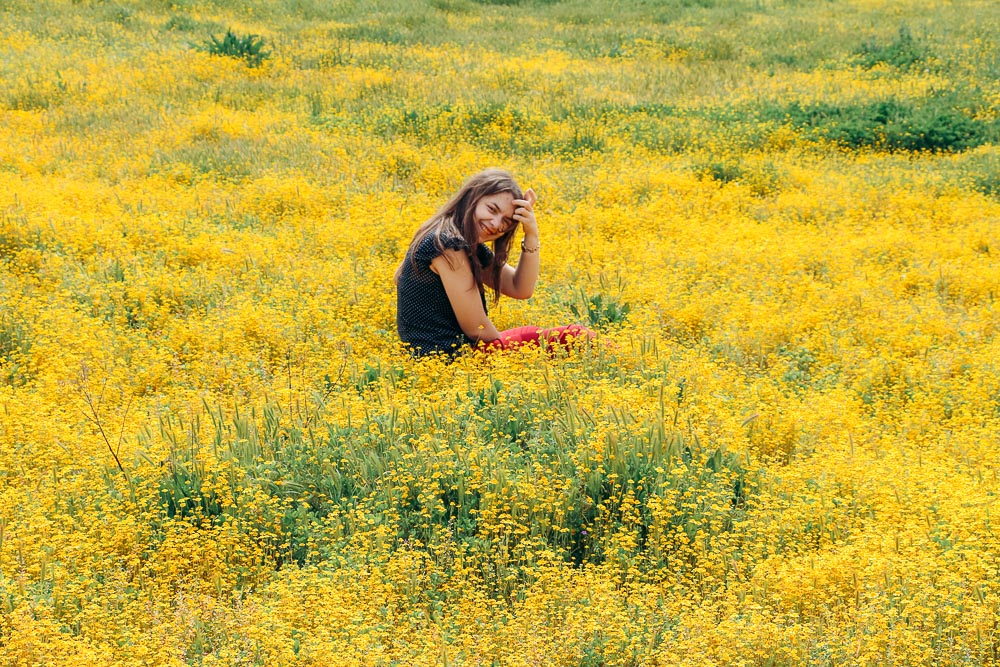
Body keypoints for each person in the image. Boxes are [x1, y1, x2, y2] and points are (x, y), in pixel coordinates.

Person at [395, 168, 593, 357]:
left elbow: (520, 288)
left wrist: (531, 234)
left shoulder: (464, 242)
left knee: (562, 336)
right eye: (492, 209)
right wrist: (512, 354)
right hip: (449, 358)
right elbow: (477, 329)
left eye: (506, 222)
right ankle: (622, 359)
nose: (496, 224)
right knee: (576, 337)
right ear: (471, 197)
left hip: (454, 353)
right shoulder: (448, 244)